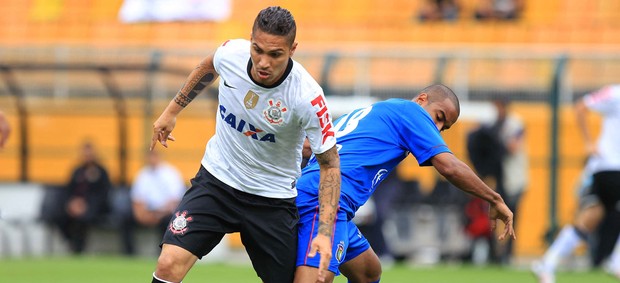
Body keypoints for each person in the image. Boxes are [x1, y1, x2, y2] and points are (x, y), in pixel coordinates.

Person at [149, 6, 341, 283]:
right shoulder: (231, 53)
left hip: (271, 199)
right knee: (168, 264)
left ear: (292, 49)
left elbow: (331, 165)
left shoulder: (307, 97)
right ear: (250, 40)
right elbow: (208, 66)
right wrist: (171, 111)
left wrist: (324, 233)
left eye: (275, 54)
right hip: (217, 182)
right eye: (257, 50)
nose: (263, 62)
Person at [294, 84, 516, 283]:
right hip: (323, 200)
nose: (437, 128)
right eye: (439, 117)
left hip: (320, 196)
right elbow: (449, 167)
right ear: (421, 99)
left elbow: (307, 146)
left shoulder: (378, 112)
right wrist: (494, 199)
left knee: (369, 272)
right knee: (318, 279)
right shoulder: (412, 113)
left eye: (444, 127)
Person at [532, 85, 620, 283]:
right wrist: (588, 142)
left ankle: (547, 263)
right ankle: (617, 262)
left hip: (602, 167)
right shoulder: (615, 93)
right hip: (612, 166)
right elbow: (581, 106)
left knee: (590, 217)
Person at [53, 141, 112, 254]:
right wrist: (71, 203)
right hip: (76, 206)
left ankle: (78, 249)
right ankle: (71, 241)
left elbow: (103, 194)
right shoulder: (77, 171)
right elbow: (68, 190)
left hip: (94, 207)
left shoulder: (101, 172)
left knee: (83, 218)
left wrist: (86, 204)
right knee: (58, 216)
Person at [131, 149, 186, 240]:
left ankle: (163, 249)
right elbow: (137, 199)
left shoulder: (171, 173)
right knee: (126, 218)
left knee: (168, 221)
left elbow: (175, 200)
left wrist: (158, 214)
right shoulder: (142, 174)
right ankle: (129, 252)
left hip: (165, 213)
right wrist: (143, 215)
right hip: (147, 211)